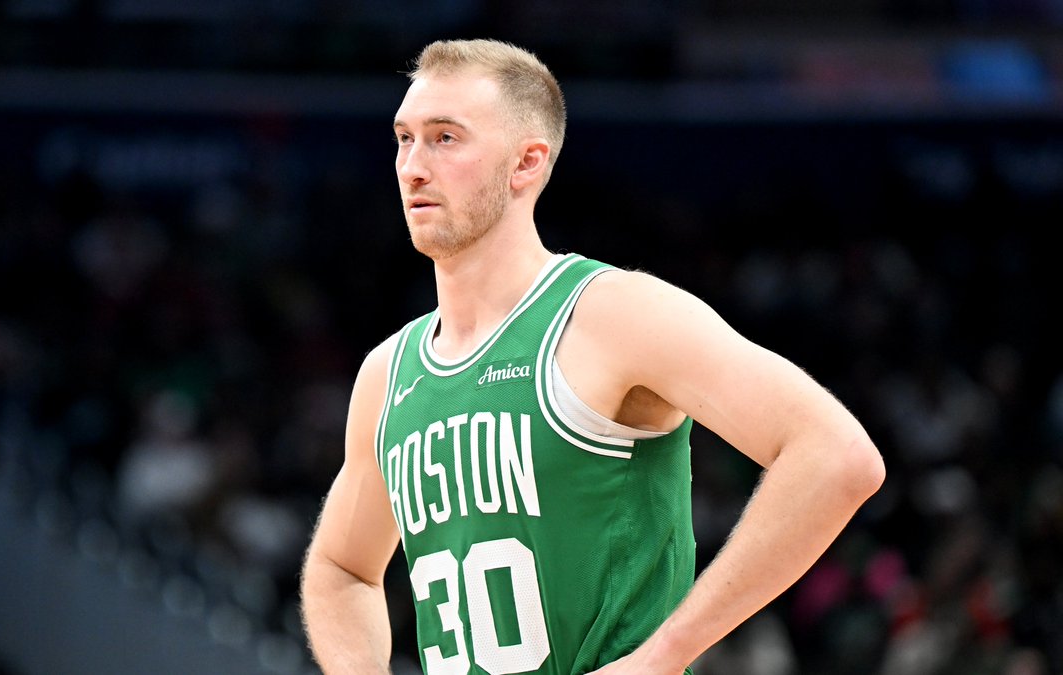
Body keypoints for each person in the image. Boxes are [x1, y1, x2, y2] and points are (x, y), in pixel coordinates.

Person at [299, 38, 886, 675]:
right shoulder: (388, 373)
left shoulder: (614, 314)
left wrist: (663, 656)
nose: (412, 166)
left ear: (526, 163)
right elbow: (341, 569)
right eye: (403, 138)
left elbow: (836, 456)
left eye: (445, 138)